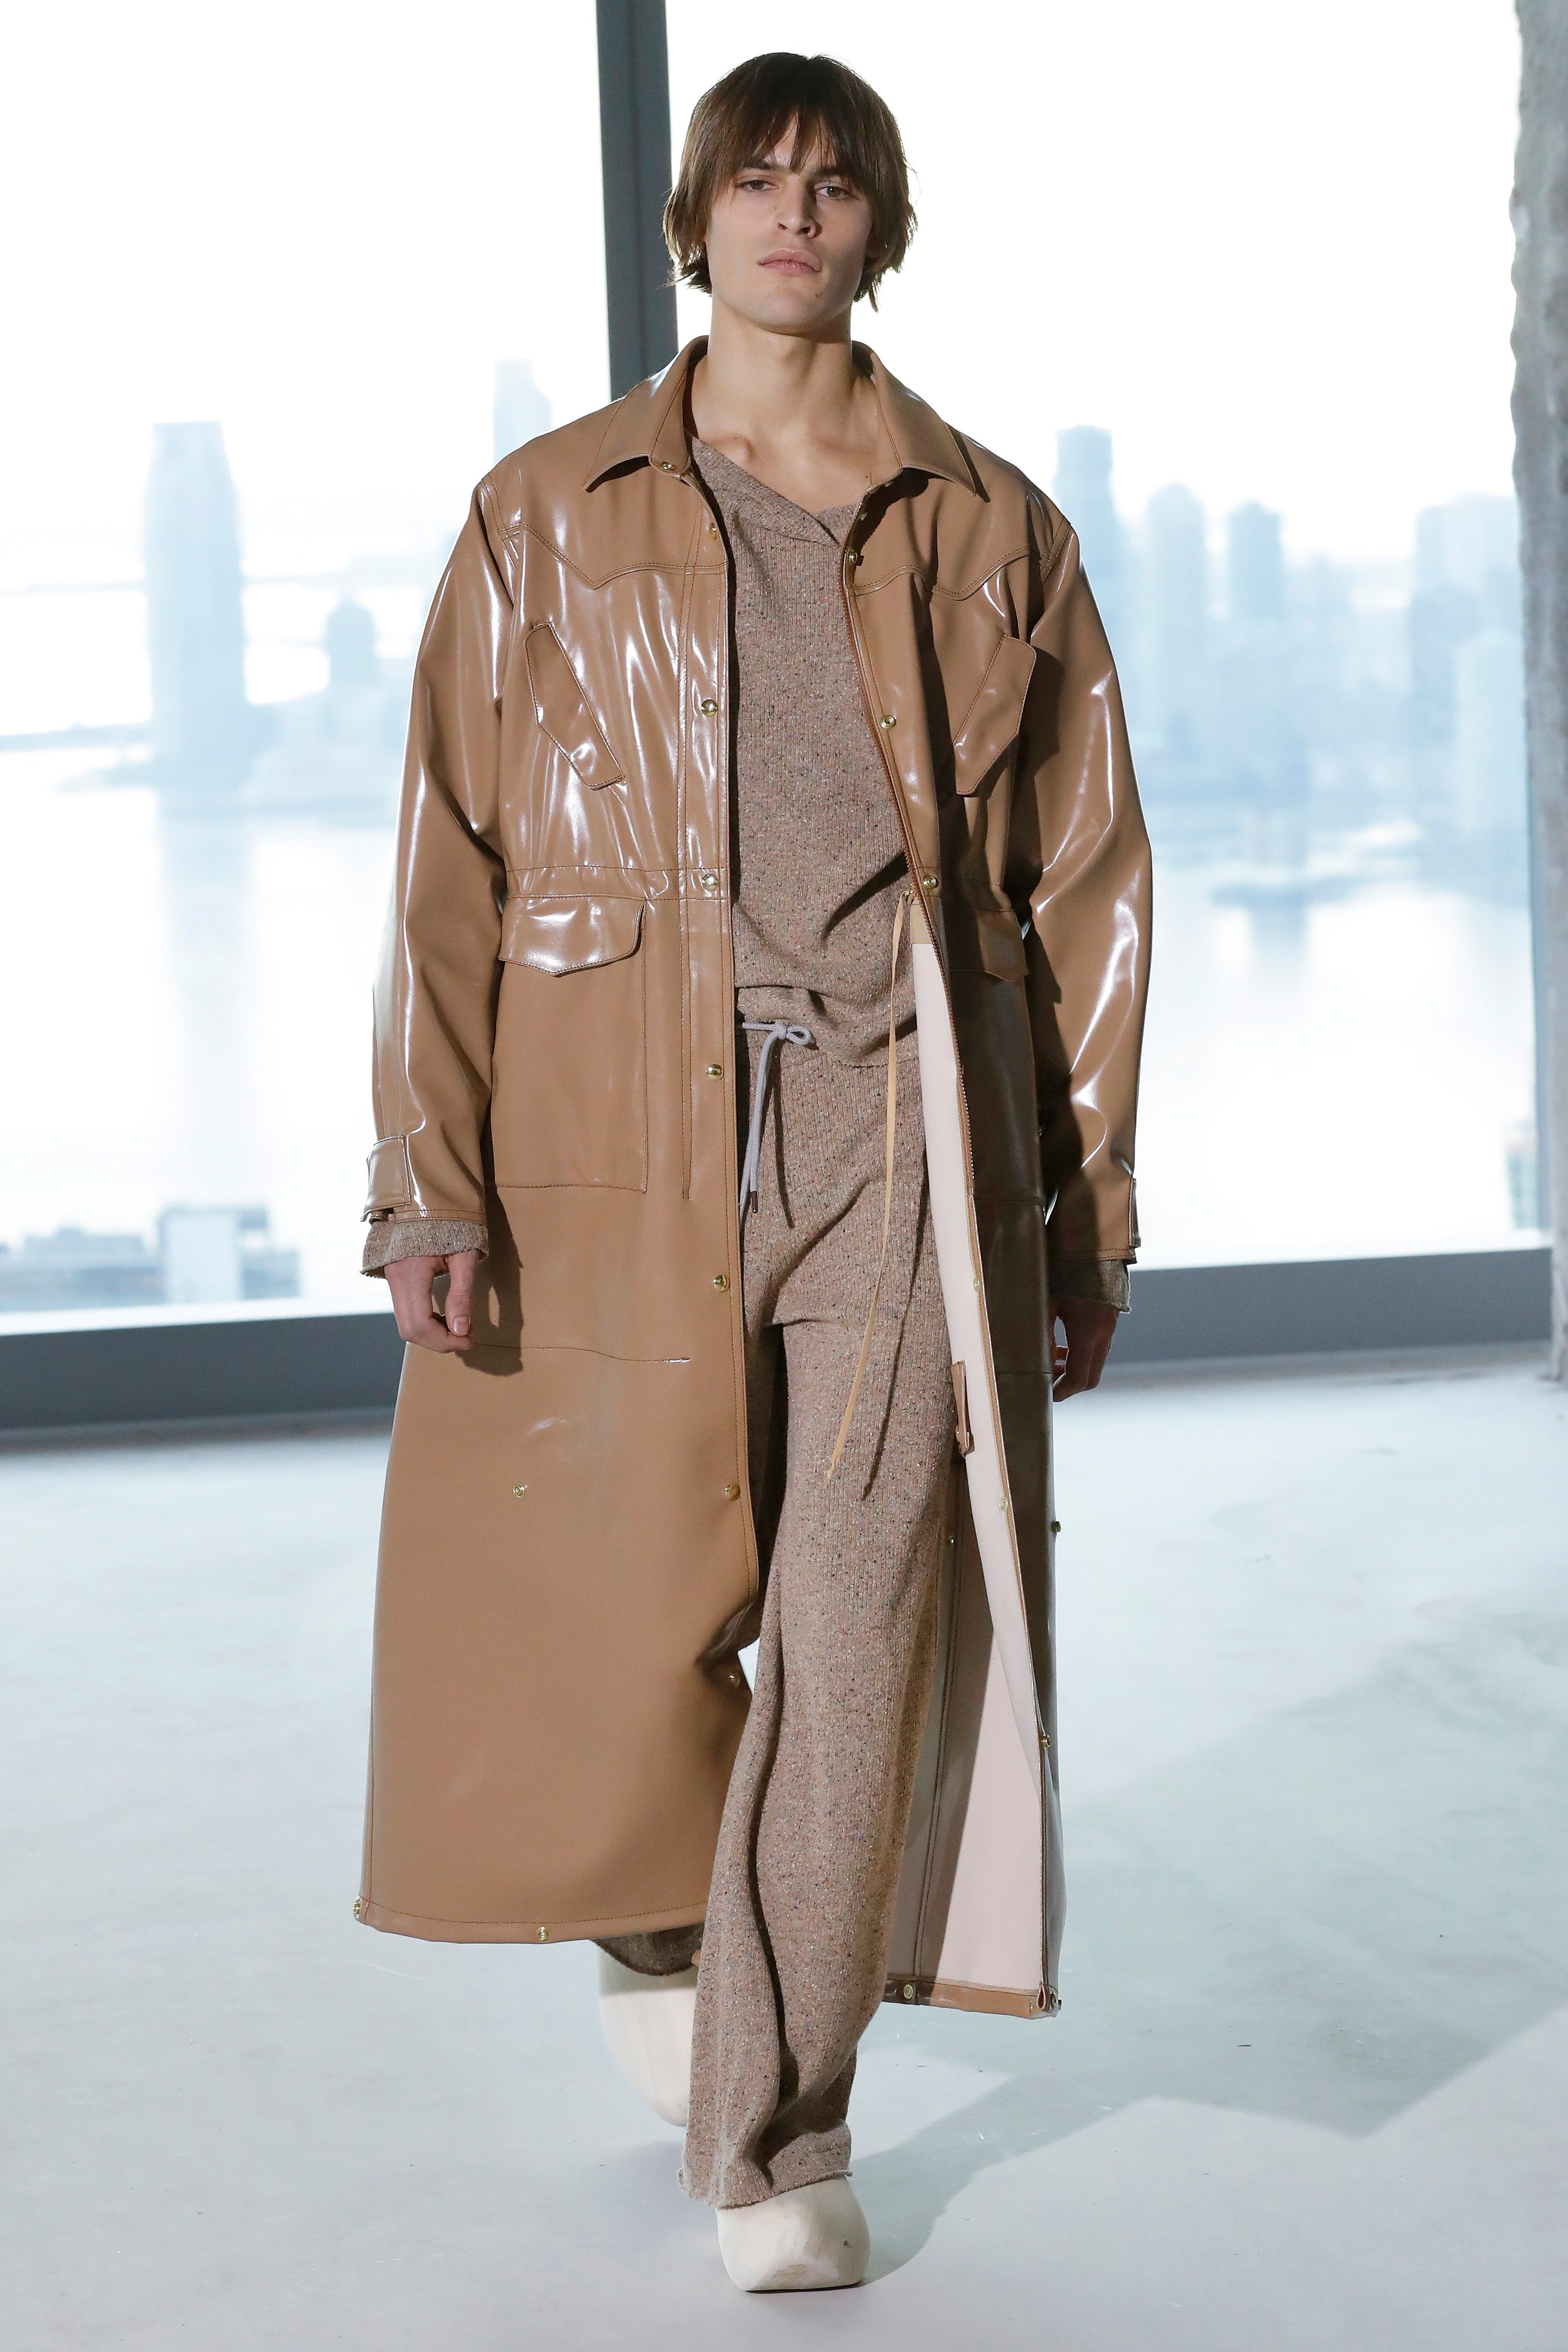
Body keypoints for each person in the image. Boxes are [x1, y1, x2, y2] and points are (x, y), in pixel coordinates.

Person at [356, 50, 1150, 2295]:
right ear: (693, 222)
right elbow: (446, 860)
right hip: (624, 1133)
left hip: (905, 1129)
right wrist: (425, 1177)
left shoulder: (990, 528)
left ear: (882, 231)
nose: (794, 215)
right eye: (757, 180)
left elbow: (1082, 888)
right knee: (635, 1605)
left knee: (857, 1621)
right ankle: (661, 1915)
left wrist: (1078, 1216)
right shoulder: (545, 512)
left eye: (836, 184)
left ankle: (776, 2126)